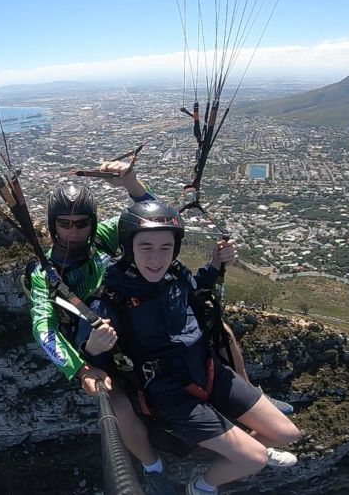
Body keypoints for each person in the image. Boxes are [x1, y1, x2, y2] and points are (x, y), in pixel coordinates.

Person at [83, 200, 301, 495]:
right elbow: (99, 361)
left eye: (166, 247)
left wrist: (215, 264)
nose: (156, 258)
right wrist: (93, 348)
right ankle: (201, 487)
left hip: (208, 370)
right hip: (170, 394)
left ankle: (243, 448)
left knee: (288, 433)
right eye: (146, 247)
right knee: (255, 458)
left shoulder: (175, 273)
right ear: (129, 248)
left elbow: (195, 292)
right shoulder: (113, 296)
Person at [28, 161, 177, 494]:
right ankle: (153, 469)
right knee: (118, 403)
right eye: (64, 224)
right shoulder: (45, 274)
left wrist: (132, 182)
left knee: (211, 332)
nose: (74, 232)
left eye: (82, 224)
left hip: (131, 322)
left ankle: (247, 396)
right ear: (53, 227)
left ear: (93, 224)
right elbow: (44, 329)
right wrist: (80, 370)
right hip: (92, 344)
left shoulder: (103, 239)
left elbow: (153, 220)